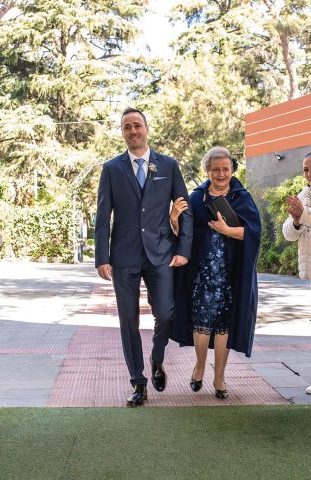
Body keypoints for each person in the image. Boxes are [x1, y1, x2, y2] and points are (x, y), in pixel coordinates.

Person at [94, 107, 193, 407]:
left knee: (165, 313)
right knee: (128, 321)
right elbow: (102, 216)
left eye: (137, 125)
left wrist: (183, 251)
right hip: (123, 256)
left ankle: (157, 357)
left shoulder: (168, 165)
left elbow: (184, 208)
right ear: (122, 133)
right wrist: (102, 257)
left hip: (161, 253)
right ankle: (138, 382)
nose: (133, 131)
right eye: (127, 127)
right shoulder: (111, 169)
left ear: (147, 129)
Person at [172, 147, 261, 399]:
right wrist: (175, 220)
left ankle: (220, 376)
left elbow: (253, 233)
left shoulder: (242, 197)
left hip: (231, 274)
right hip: (202, 273)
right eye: (215, 169)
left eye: (225, 169)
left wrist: (227, 230)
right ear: (207, 171)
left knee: (224, 326)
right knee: (201, 323)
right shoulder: (197, 197)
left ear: (232, 170)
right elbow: (184, 235)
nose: (221, 174)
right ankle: (200, 366)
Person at [282, 149, 311, 395]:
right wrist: (298, 219)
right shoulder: (305, 193)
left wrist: (304, 215)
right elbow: (288, 232)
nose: (309, 174)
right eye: (306, 169)